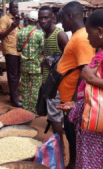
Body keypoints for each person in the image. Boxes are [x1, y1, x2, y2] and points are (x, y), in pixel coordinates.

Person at [59, 10, 103, 169]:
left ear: (100, 31)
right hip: (94, 130)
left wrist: (93, 79)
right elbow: (99, 93)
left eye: (89, 33)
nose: (87, 38)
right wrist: (78, 104)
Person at [56, 1, 95, 169]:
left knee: (75, 138)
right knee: (71, 136)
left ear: (70, 17)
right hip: (68, 99)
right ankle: (72, 166)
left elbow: (85, 72)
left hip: (73, 102)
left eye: (63, 18)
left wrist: (73, 100)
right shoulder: (77, 36)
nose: (61, 23)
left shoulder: (81, 39)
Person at [38, 6, 69, 152]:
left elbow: (70, 57)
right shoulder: (46, 34)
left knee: (55, 116)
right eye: (41, 17)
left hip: (56, 83)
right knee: (54, 114)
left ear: (53, 18)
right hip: (48, 81)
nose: (43, 20)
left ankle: (60, 148)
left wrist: (54, 64)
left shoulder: (59, 34)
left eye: (46, 17)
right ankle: (59, 143)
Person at [16, 11, 44, 113]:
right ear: (37, 21)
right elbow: (43, 50)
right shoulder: (40, 34)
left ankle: (25, 110)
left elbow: (18, 49)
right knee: (35, 90)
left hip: (24, 66)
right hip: (35, 66)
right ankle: (32, 111)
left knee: (25, 89)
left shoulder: (20, 32)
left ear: (27, 19)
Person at [0, 0, 22, 107]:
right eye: (13, 7)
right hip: (10, 50)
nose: (15, 9)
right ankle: (14, 100)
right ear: (9, 8)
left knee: (17, 75)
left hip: (18, 51)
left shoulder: (17, 20)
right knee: (12, 76)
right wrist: (12, 27)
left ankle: (15, 97)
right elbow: (1, 36)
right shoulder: (4, 20)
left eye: (17, 7)